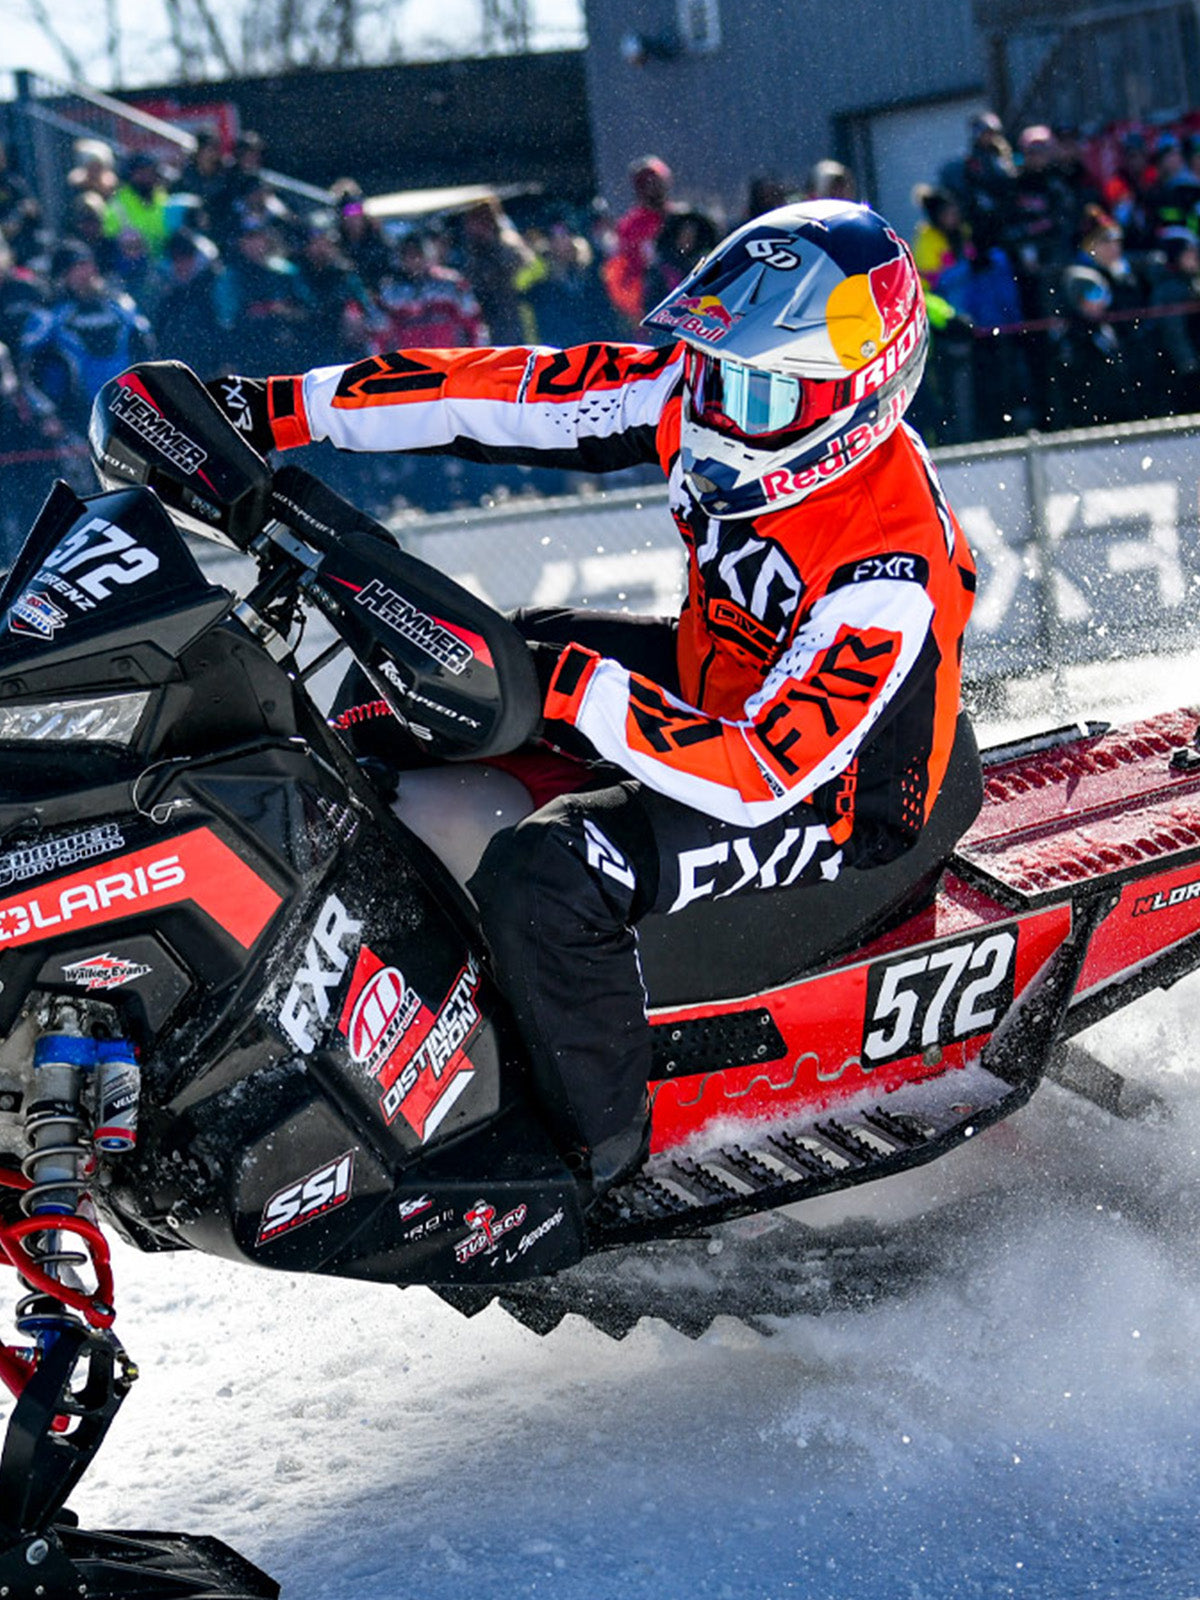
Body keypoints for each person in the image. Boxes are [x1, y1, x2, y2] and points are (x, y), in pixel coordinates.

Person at [204, 200, 977, 1201]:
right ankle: (357, 969)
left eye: (753, 388)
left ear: (853, 401)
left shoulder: (886, 563)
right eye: (709, 366)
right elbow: (493, 390)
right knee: (415, 671)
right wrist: (275, 408)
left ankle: (603, 1162)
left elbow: (758, 770)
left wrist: (575, 693)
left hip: (843, 800)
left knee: (553, 871)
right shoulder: (695, 398)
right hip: (716, 690)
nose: (714, 406)